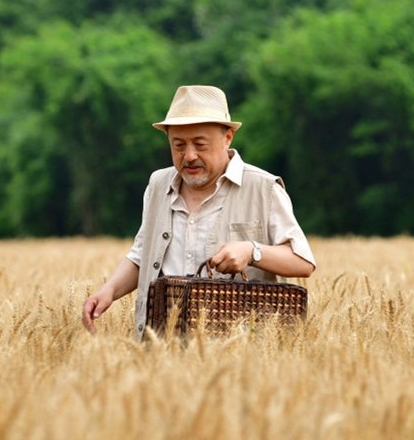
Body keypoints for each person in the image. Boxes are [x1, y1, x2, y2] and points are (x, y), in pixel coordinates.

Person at [82, 85, 316, 337]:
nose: (189, 155)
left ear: (227, 137)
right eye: (178, 145)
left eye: (200, 144)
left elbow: (302, 262)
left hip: (239, 352)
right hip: (161, 346)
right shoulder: (158, 185)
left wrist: (251, 251)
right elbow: (143, 256)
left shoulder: (263, 188)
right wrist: (108, 291)